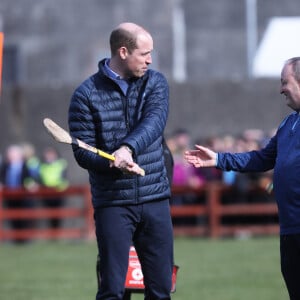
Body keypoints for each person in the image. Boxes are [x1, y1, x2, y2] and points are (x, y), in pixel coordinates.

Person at [68, 22, 173, 300]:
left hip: (154, 199)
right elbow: (82, 152)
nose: (150, 59)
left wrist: (127, 148)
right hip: (113, 204)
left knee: (161, 291)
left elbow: (154, 122)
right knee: (113, 291)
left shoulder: (156, 82)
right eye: (144, 53)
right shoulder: (85, 95)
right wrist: (111, 162)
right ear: (123, 51)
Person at [184, 57, 300, 300]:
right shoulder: (289, 123)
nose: (280, 89)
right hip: (290, 230)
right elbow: (262, 158)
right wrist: (218, 159)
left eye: (284, 82)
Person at [39, 146, 69, 229]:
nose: (49, 156)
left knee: (58, 215)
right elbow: (40, 179)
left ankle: (56, 233)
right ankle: (52, 234)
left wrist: (61, 187)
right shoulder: (42, 165)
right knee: (49, 215)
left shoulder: (61, 164)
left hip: (58, 193)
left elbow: (64, 179)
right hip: (46, 194)